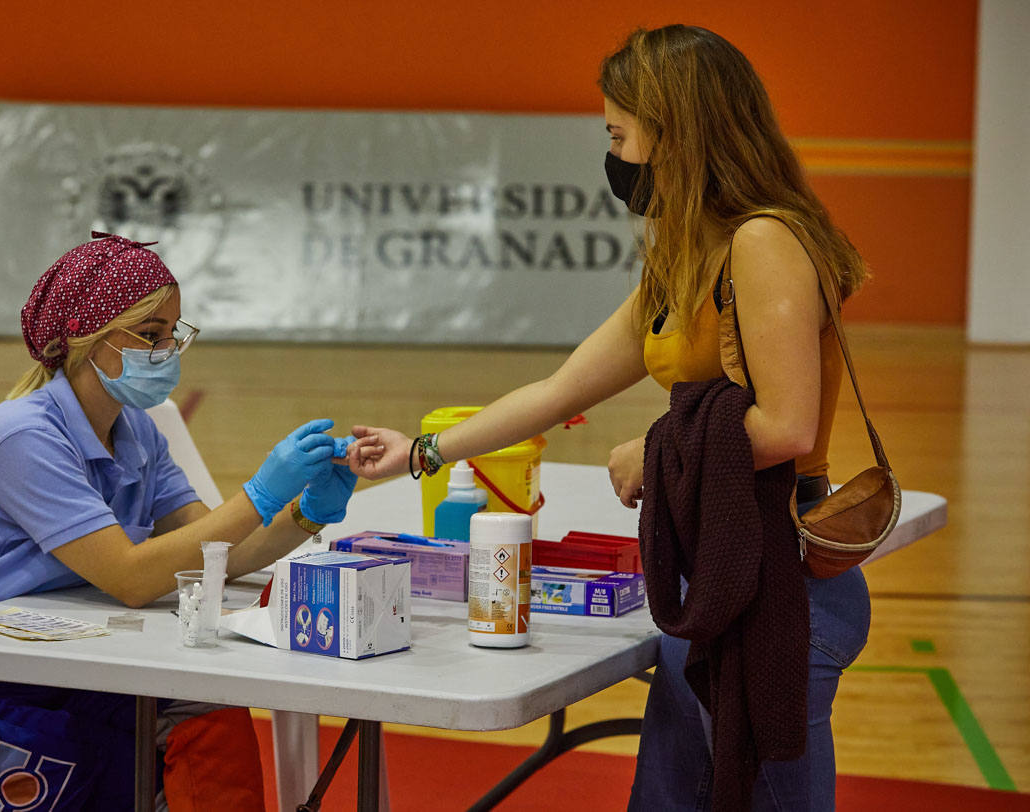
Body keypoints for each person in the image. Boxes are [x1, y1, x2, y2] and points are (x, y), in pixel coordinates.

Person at [348, 25, 869, 811]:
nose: (615, 157)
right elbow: (560, 391)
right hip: (715, 572)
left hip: (779, 583)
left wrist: (654, 454)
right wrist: (422, 450)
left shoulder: (764, 243)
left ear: (677, 133)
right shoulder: (687, 255)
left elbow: (789, 428)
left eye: (620, 134)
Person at [0, 232, 358, 811]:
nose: (169, 349)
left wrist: (306, 510)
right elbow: (130, 578)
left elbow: (216, 556)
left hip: (60, 670)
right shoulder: (22, 436)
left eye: (173, 333)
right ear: (87, 340)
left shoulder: (136, 431)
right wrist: (257, 494)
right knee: (86, 758)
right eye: (150, 336)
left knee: (204, 713)